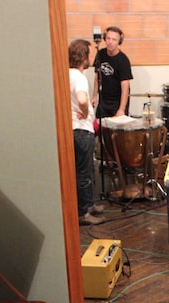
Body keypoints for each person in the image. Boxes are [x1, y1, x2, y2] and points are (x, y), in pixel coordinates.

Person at [69, 39, 104, 225]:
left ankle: (89, 204)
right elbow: (82, 99)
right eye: (89, 54)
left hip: (72, 130)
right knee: (84, 172)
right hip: (82, 132)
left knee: (86, 169)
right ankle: (84, 214)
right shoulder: (79, 77)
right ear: (83, 57)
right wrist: (84, 110)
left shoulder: (64, 74)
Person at [92, 26, 133, 119]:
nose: (110, 42)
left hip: (117, 102)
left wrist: (121, 109)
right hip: (104, 100)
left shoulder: (123, 60)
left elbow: (125, 86)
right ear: (105, 39)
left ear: (119, 41)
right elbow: (97, 76)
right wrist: (94, 96)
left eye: (114, 39)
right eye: (108, 38)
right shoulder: (100, 54)